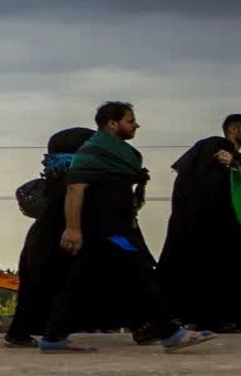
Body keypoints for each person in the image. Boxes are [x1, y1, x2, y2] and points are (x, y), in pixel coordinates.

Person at [40, 102, 217, 353]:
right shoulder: (91, 153)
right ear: (113, 123)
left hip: (114, 228)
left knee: (78, 282)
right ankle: (171, 332)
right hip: (108, 230)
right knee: (144, 273)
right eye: (130, 120)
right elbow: (75, 190)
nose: (136, 125)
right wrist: (72, 229)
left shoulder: (118, 154)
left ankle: (53, 338)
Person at [159, 114, 241, 332]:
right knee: (211, 268)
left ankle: (233, 318)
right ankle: (210, 319)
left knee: (234, 267)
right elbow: (205, 181)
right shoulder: (216, 146)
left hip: (222, 223)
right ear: (233, 130)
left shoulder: (233, 158)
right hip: (206, 224)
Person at [4, 127, 94, 348]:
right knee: (68, 281)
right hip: (63, 234)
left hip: (42, 236)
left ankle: (22, 332)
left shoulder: (54, 169)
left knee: (36, 285)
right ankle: (54, 335)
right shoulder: (76, 173)